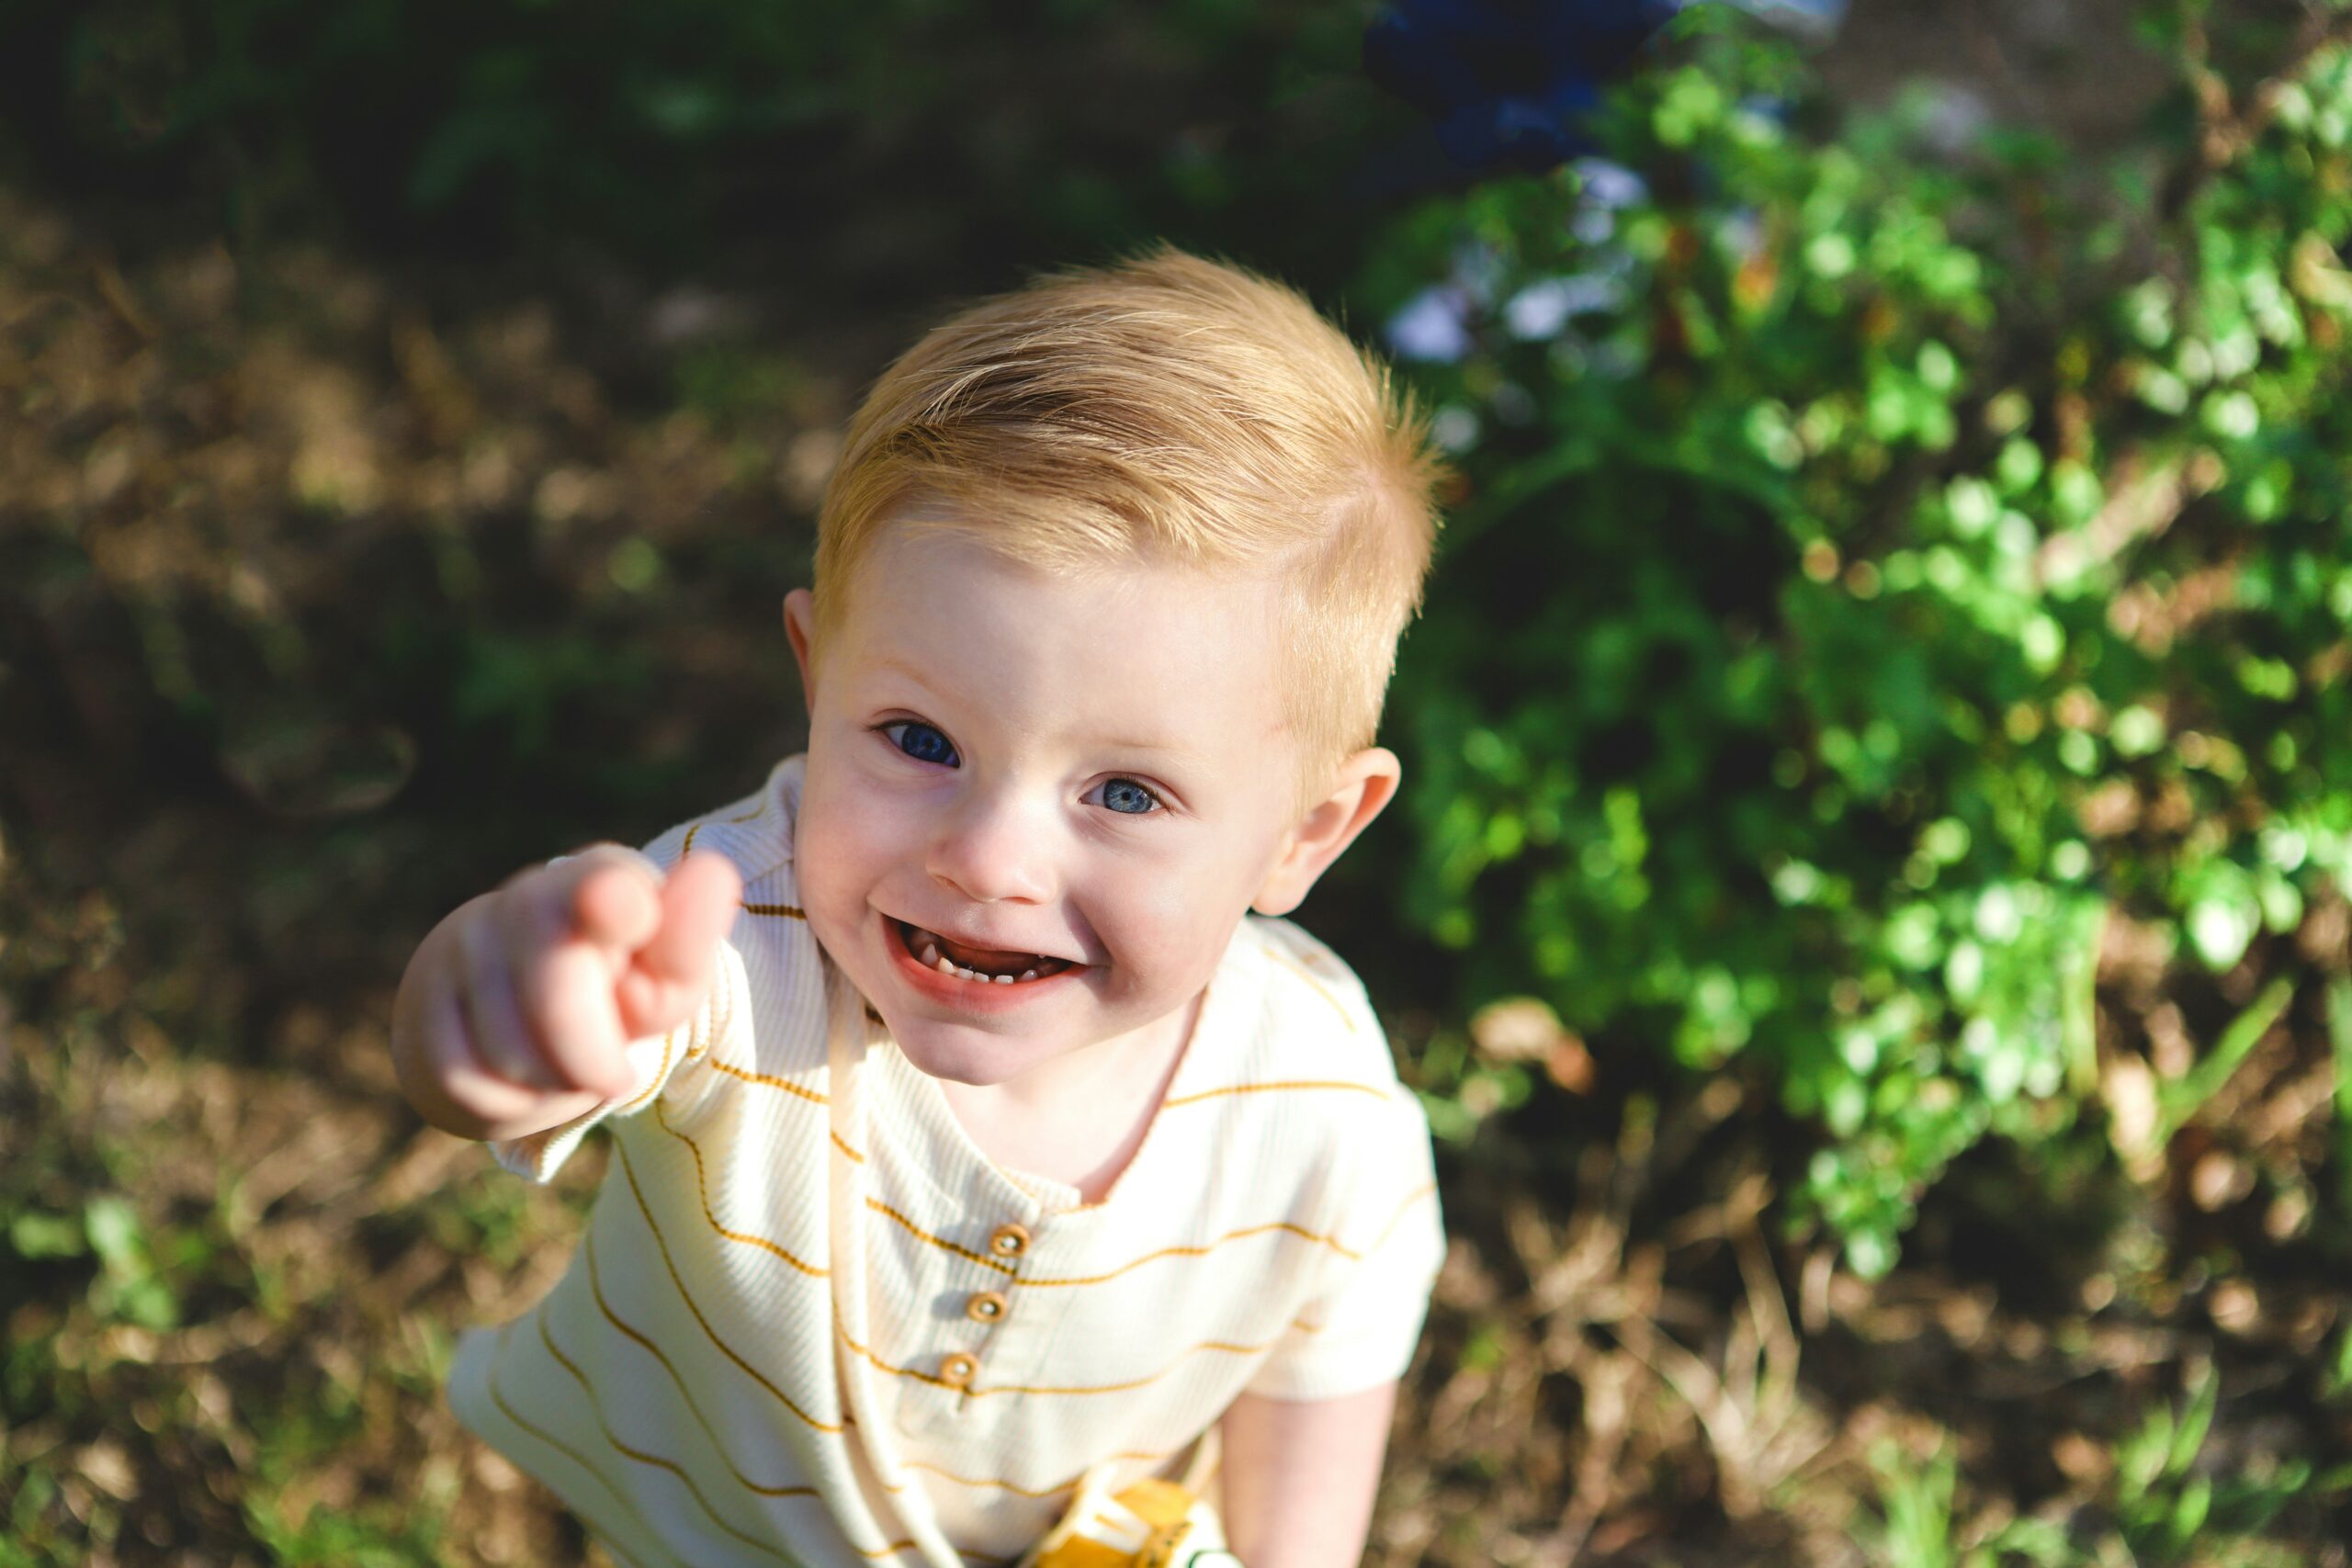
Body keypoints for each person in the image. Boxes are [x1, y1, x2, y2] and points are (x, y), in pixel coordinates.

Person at [389, 246, 1450, 1568]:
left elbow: (1319, 1386)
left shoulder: (1319, 1109)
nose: (988, 859)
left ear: (1305, 834)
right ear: (815, 673)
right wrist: (506, 1010)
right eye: (920, 739)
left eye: (1124, 793)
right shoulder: (737, 942)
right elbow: (540, 1054)